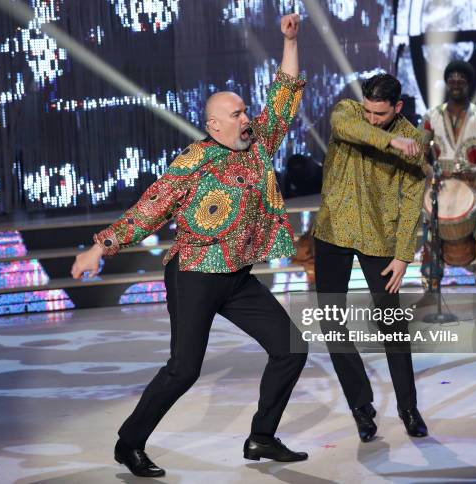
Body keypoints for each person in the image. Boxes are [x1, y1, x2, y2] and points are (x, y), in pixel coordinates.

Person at [71, 14, 308, 478]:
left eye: (245, 111)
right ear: (215, 125)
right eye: (237, 114)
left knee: (290, 350)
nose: (247, 118)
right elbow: (149, 209)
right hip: (194, 273)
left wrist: (289, 41)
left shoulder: (259, 145)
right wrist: (100, 247)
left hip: (236, 276)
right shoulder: (193, 162)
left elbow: (285, 93)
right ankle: (129, 444)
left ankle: (261, 436)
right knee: (184, 370)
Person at [312, 73, 428, 442]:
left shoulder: (414, 139)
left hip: (380, 238)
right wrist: (387, 138)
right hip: (332, 232)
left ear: (398, 107)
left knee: (392, 323)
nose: (371, 119)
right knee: (331, 321)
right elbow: (352, 128)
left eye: (380, 114)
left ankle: (408, 408)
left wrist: (403, 255)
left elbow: (412, 198)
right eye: (368, 110)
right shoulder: (348, 113)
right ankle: (361, 407)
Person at [419, 60, 476, 299]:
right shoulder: (432, 116)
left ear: (468, 83)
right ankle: (431, 290)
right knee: (431, 235)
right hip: (441, 188)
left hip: (473, 186)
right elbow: (416, 151)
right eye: (452, 77)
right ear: (447, 82)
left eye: (461, 78)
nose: (456, 81)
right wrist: (429, 171)